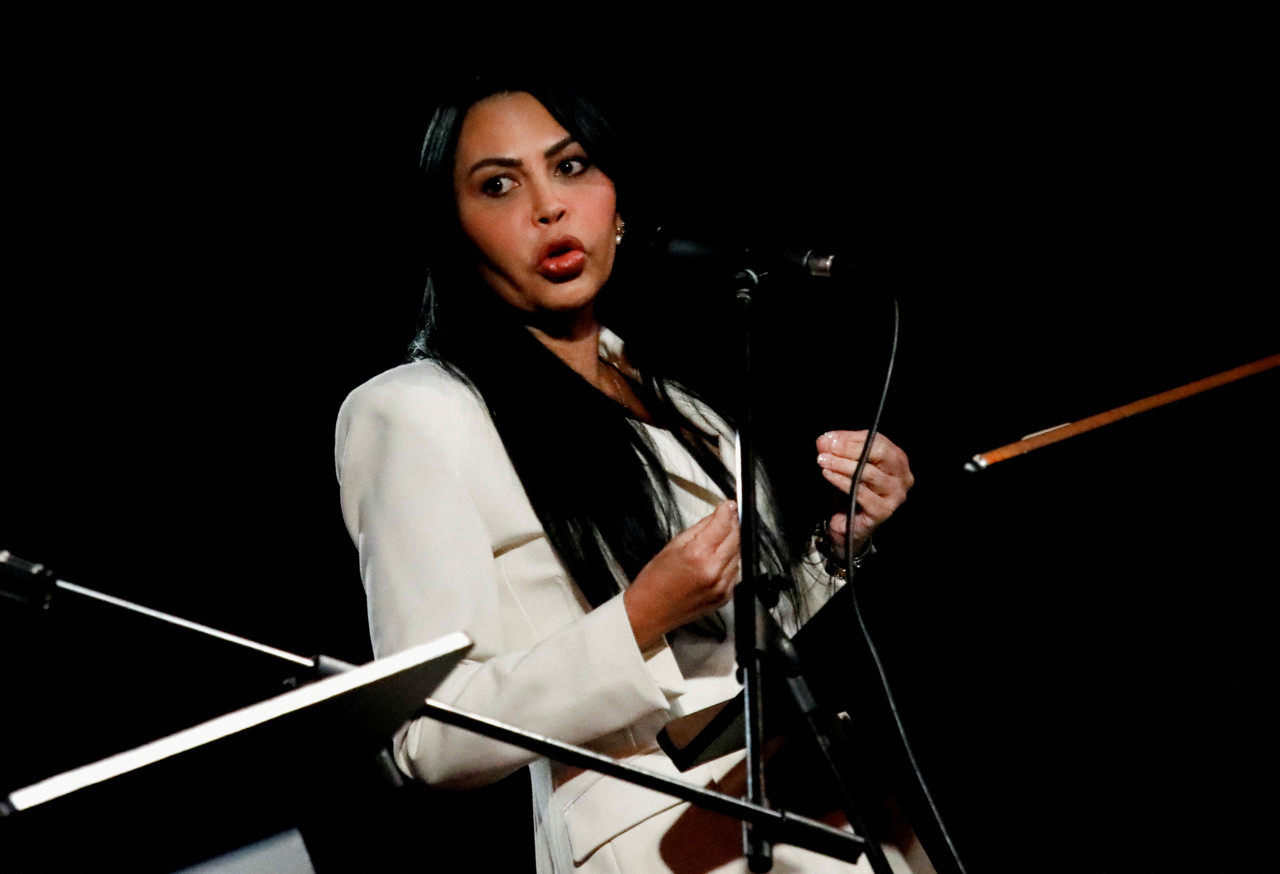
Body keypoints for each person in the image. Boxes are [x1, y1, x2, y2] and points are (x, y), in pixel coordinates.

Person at [335, 73, 919, 873]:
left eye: (570, 167)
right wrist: (638, 617)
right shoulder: (417, 411)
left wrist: (841, 546)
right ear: (454, 230)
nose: (548, 207)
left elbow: (752, 657)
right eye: (499, 184)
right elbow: (428, 739)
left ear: (617, 204)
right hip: (658, 840)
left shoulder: (683, 404)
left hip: (827, 818)